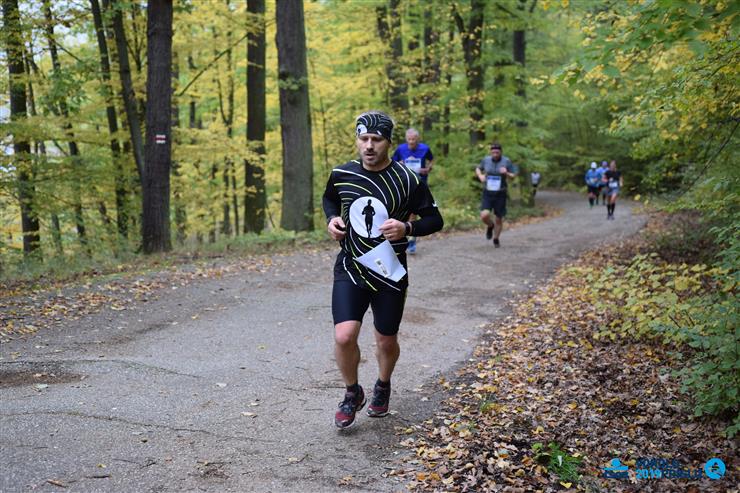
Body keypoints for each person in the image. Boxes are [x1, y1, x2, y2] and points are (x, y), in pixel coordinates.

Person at [323, 111, 444, 429]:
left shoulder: (408, 180)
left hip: (389, 271)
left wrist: (407, 227)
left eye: (376, 139)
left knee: (386, 340)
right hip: (351, 265)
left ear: (389, 142)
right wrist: (332, 220)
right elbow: (330, 200)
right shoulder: (341, 174)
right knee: (344, 335)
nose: (369, 146)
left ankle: (383, 384)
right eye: (363, 139)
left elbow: (435, 220)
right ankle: (352, 392)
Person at [391, 128, 435, 254]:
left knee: (413, 212)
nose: (411, 142)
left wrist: (428, 169)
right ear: (406, 139)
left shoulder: (425, 148)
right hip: (403, 183)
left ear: (418, 139)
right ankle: (401, 236)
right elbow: (392, 162)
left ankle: (411, 240)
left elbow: (432, 160)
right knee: (401, 210)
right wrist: (399, 164)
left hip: (419, 183)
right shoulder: (400, 149)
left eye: (414, 139)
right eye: (409, 139)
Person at [475, 142, 517, 248]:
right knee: (484, 215)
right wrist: (480, 176)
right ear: (490, 152)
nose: (495, 154)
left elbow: (513, 176)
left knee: (498, 218)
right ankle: (490, 225)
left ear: (501, 152)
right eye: (493, 152)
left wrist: (507, 173)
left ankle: (496, 238)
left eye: (497, 152)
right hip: (488, 192)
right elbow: (478, 168)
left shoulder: (506, 161)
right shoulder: (486, 160)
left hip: (500, 193)